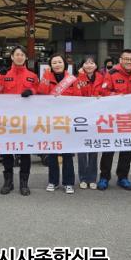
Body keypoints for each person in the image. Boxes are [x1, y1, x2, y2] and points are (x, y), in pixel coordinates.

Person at [0, 45, 39, 196]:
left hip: (25, 120)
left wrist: (31, 91)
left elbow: (39, 90)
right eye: (17, 54)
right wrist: (0, 76)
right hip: (7, 120)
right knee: (7, 152)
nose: (19, 57)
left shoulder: (32, 75)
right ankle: (8, 182)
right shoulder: (4, 74)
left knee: (25, 152)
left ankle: (24, 183)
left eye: (22, 54)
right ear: (12, 57)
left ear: (25, 57)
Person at [97, 48, 131, 191]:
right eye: (126, 59)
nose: (129, 61)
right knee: (109, 149)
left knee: (127, 149)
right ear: (121, 60)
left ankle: (123, 177)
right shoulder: (111, 74)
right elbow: (103, 92)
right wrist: (116, 96)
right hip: (112, 117)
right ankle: (104, 177)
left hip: (129, 119)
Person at [38, 54, 80, 194]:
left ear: (64, 64)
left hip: (67, 121)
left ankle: (68, 183)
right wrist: (46, 75)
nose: (57, 64)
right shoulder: (46, 78)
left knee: (67, 153)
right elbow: (41, 93)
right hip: (51, 121)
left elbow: (78, 98)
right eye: (54, 62)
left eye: (59, 62)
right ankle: (53, 181)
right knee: (52, 153)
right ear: (51, 65)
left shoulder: (72, 80)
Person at [76, 56, 103, 189]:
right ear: (82, 66)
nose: (89, 65)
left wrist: (101, 96)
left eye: (92, 62)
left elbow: (106, 92)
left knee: (93, 149)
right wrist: (81, 76)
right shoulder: (77, 79)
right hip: (81, 118)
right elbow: (76, 94)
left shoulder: (102, 78)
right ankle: (82, 178)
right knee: (81, 150)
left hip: (96, 118)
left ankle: (92, 178)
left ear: (96, 66)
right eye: (86, 63)